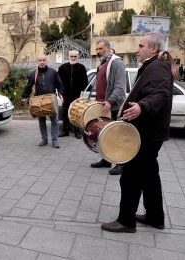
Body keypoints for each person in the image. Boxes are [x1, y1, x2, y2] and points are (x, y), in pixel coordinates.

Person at [101, 32, 173, 233]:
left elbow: (160, 93)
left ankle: (126, 221)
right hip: (150, 132)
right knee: (150, 175)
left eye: (141, 46)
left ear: (154, 48)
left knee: (131, 176)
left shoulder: (157, 66)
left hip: (146, 133)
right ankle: (155, 216)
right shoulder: (154, 65)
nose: (137, 49)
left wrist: (142, 106)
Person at [90, 39, 126, 175]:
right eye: (97, 49)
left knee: (117, 135)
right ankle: (106, 160)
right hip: (103, 106)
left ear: (108, 48)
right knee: (104, 135)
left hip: (114, 106)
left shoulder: (117, 63)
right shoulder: (103, 63)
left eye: (100, 49)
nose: (98, 51)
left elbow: (120, 87)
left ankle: (120, 163)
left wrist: (110, 101)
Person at [22, 54, 64, 148]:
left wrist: (61, 94)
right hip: (38, 100)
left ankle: (55, 140)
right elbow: (29, 86)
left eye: (44, 60)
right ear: (37, 62)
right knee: (42, 121)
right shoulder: (33, 73)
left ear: (46, 61)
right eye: (40, 60)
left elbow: (59, 84)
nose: (42, 62)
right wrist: (25, 96)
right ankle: (44, 139)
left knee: (55, 121)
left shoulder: (53, 72)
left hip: (51, 100)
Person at [58, 50, 88, 139]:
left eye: (75, 56)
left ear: (77, 57)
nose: (73, 58)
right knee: (65, 113)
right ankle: (65, 130)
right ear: (68, 57)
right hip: (65, 95)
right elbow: (58, 81)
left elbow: (85, 81)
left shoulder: (81, 67)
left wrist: (80, 89)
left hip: (76, 96)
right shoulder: (62, 68)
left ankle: (77, 131)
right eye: (72, 56)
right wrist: (61, 92)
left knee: (76, 113)